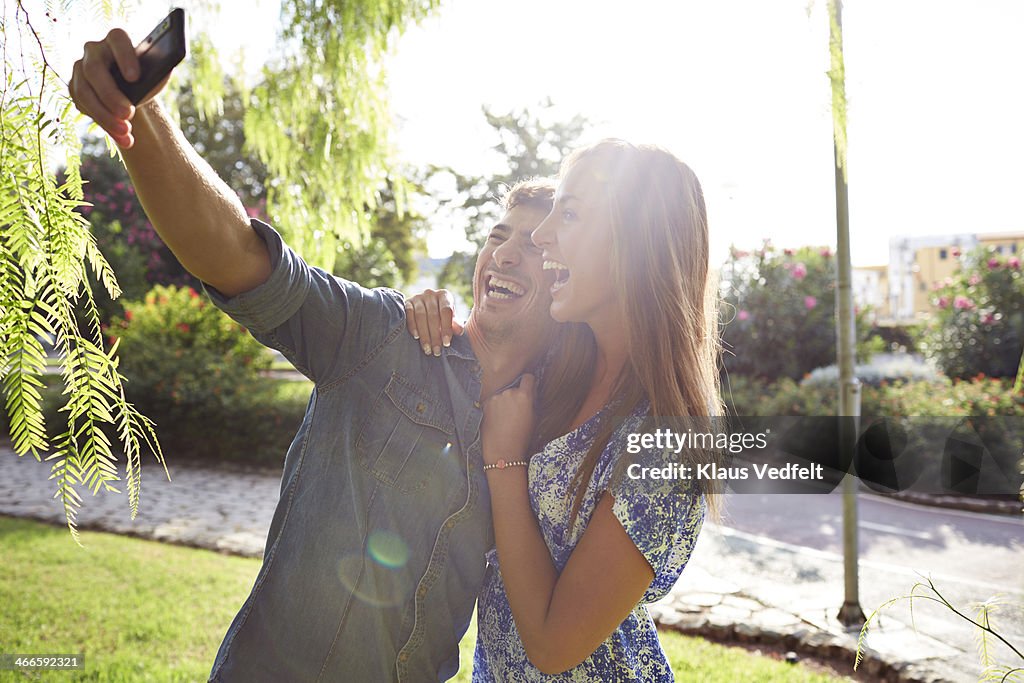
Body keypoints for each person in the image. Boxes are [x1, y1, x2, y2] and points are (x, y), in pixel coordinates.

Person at [68, 28, 564, 682]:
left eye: (533, 244)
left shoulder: (552, 426)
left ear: (567, 280)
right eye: (499, 235)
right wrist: (144, 115)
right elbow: (242, 257)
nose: (504, 252)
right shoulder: (385, 335)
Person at [407, 139, 723, 680]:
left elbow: (555, 646)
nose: (543, 234)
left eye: (570, 214)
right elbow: (485, 342)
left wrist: (506, 464)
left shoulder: (668, 439)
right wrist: (426, 312)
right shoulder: (555, 373)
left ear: (638, 241)